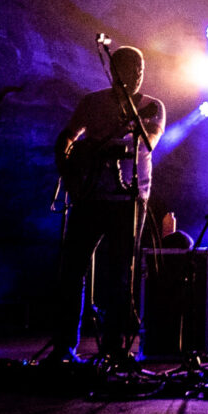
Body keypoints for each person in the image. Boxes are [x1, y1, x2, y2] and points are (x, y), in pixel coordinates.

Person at [51, 45, 165, 364]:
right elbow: (68, 136)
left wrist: (117, 143)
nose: (136, 76)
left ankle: (114, 347)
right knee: (72, 270)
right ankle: (64, 346)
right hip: (90, 196)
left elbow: (150, 140)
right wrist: (68, 170)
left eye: (140, 70)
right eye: (130, 70)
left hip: (129, 199)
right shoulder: (92, 102)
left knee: (120, 273)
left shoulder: (152, 107)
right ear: (114, 71)